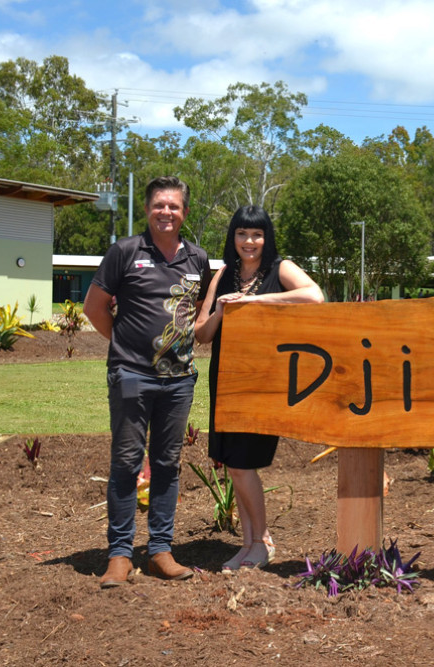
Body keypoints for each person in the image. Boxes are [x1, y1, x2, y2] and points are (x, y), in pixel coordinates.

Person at [83, 176, 210, 588]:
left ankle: (159, 551)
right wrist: (125, 348)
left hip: (179, 382)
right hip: (131, 376)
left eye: (174, 206)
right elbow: (95, 307)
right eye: (159, 205)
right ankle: (119, 556)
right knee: (125, 464)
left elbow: (198, 315)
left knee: (167, 465)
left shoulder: (198, 260)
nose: (166, 212)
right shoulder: (125, 252)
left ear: (184, 213)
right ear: (148, 210)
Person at [195, 204, 323, 571]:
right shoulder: (223, 276)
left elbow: (315, 296)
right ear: (232, 236)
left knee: (244, 463)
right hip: (226, 379)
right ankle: (249, 543)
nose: (249, 241)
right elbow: (202, 335)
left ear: (266, 238)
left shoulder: (279, 269)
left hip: (263, 382)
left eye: (256, 234)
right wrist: (222, 310)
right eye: (241, 234)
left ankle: (262, 540)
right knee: (233, 466)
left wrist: (254, 300)